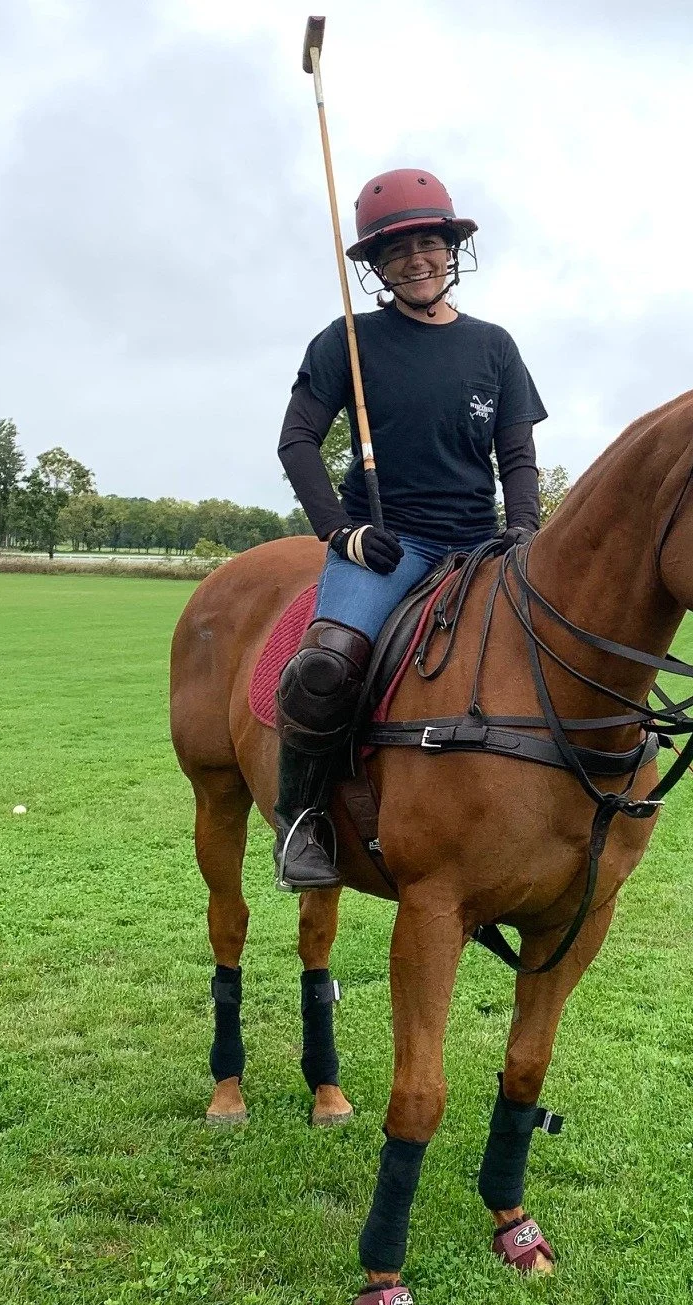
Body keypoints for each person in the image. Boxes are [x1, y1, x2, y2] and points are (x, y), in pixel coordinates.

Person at [273, 168, 548, 890]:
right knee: (325, 666)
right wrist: (341, 531)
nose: (417, 260)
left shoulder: (495, 347)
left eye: (429, 243)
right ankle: (301, 821)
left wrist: (524, 527)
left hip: (481, 546)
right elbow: (297, 442)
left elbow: (517, 457)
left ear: (452, 249)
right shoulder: (347, 342)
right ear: (376, 266)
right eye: (396, 250)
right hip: (388, 546)